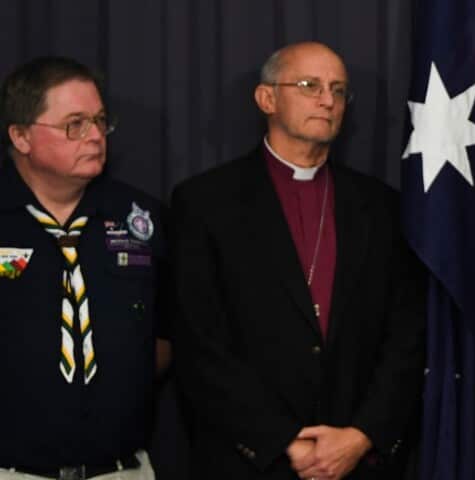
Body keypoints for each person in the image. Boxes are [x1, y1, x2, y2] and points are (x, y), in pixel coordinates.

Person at [170, 42, 426, 479]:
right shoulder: (205, 203)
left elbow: (406, 335)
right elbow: (199, 345)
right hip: (249, 461)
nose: (327, 100)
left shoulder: (380, 206)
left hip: (357, 461)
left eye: (339, 90)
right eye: (310, 86)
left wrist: (361, 435)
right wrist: (281, 441)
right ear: (266, 98)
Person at [0, 57, 169, 479]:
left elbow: (167, 336)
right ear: (21, 136)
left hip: (121, 469)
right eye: (74, 124)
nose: (95, 136)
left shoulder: (140, 216)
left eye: (99, 120)